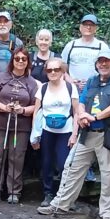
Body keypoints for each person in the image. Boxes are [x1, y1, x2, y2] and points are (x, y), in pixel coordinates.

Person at [37, 49, 110, 219]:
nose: (103, 64)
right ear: (96, 64)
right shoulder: (92, 81)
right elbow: (81, 101)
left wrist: (94, 117)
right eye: (100, 61)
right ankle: (60, 204)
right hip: (87, 132)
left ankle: (107, 213)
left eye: (106, 61)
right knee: (71, 167)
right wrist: (81, 115)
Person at [0, 49, 38, 203]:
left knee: (16, 158)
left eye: (24, 59)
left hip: (20, 126)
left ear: (28, 61)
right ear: (12, 60)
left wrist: (22, 110)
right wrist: (3, 107)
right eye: (17, 58)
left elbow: (36, 105)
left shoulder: (31, 82)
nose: (20, 61)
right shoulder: (1, 77)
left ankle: (14, 191)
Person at [30, 57, 82, 207]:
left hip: (66, 131)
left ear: (62, 71)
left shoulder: (70, 88)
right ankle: (48, 194)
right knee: (46, 163)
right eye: (49, 70)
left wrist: (74, 134)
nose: (52, 72)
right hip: (47, 130)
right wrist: (35, 135)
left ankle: (65, 196)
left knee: (63, 163)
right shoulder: (43, 88)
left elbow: (76, 112)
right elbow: (36, 111)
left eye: (56, 69)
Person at [60, 14, 110, 84]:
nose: (88, 27)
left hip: (95, 87)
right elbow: (61, 67)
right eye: (85, 25)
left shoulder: (102, 46)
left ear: (96, 28)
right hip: (73, 87)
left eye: (91, 25)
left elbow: (109, 68)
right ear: (80, 27)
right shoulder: (71, 45)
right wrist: (71, 81)